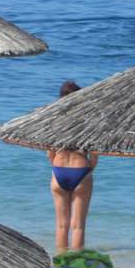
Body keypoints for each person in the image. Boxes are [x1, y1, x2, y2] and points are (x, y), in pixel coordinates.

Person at [46, 80, 97, 252]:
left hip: (58, 170)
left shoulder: (54, 119)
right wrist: (89, 168)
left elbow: (49, 151)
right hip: (80, 169)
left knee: (61, 224)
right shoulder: (87, 120)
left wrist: (56, 165)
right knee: (78, 225)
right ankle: (76, 261)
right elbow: (94, 153)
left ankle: (61, 260)